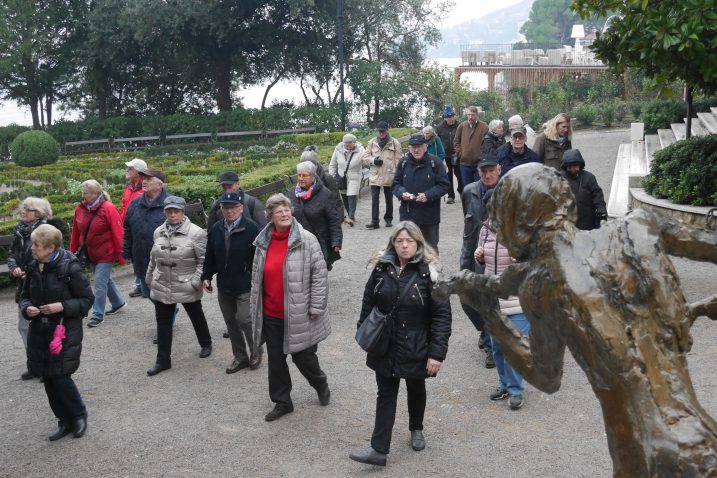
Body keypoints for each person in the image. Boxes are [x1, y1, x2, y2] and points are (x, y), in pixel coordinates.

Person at [436, 163, 717, 476]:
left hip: (644, 455)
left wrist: (491, 315)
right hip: (701, 440)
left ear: (518, 222)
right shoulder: (639, 227)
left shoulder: (539, 286)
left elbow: (546, 377)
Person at [349, 221, 451, 467]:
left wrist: (436, 354)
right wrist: (364, 330)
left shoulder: (431, 273)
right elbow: (368, 300)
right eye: (399, 241)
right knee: (385, 393)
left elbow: (441, 316)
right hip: (385, 343)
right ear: (393, 243)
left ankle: (416, 428)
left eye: (409, 241)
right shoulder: (382, 266)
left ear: (418, 243)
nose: (404, 246)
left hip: (417, 344)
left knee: (416, 388)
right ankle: (378, 449)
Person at [249, 193, 331, 422]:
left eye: (286, 209)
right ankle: (282, 402)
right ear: (270, 217)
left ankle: (320, 383)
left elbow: (320, 275)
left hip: (299, 313)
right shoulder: (262, 242)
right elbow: (257, 277)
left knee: (303, 358)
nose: (284, 213)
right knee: (276, 361)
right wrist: (254, 307)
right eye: (278, 211)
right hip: (271, 313)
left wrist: (316, 306)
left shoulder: (306, 239)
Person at [20, 224, 93, 441]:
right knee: (48, 378)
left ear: (51, 248)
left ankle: (79, 415)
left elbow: (87, 300)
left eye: (37, 245)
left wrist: (62, 306)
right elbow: (24, 296)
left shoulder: (70, 267)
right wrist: (27, 308)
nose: (32, 248)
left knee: (60, 376)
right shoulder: (33, 267)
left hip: (63, 331)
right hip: (39, 331)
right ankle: (64, 420)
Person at [473, 189, 530, 410]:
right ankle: (504, 384)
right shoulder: (485, 229)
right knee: (497, 347)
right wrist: (479, 255)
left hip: (516, 298)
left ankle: (516, 391)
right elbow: (484, 259)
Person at [145, 196, 212, 376]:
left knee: (195, 314)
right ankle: (163, 360)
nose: (172, 214)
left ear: (183, 212)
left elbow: (203, 261)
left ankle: (206, 343)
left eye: (176, 211)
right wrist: (149, 277)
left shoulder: (196, 233)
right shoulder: (158, 231)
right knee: (163, 322)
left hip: (185, 282)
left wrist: (195, 282)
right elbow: (154, 257)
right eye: (169, 211)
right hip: (162, 283)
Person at [202, 192, 262, 374]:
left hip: (244, 284)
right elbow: (210, 255)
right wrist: (206, 276)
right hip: (224, 285)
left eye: (233, 207)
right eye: (225, 208)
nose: (229, 211)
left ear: (241, 208)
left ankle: (256, 352)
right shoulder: (217, 229)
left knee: (244, 319)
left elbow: (258, 258)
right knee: (231, 322)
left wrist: (253, 276)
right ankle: (240, 356)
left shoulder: (251, 228)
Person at [460, 158, 502, 369]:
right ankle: (485, 330)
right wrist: (464, 262)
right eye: (484, 171)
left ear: (499, 169)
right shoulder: (469, 191)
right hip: (477, 256)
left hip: (502, 258)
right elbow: (468, 231)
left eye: (491, 170)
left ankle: (491, 346)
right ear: (478, 172)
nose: (488, 175)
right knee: (467, 300)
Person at [8, 197, 55, 380]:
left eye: (28, 209)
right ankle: (35, 363)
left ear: (39, 213)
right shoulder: (20, 230)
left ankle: (49, 365)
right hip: (24, 288)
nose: (23, 211)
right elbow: (12, 254)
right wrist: (14, 268)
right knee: (24, 327)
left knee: (45, 327)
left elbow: (53, 257)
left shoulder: (47, 231)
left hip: (43, 287)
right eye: (24, 208)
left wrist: (32, 271)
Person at [70, 180, 126, 328]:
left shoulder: (108, 208)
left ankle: (97, 314)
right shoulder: (80, 209)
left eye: (85, 192)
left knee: (99, 282)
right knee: (105, 280)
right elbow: (75, 232)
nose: (83, 195)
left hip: (106, 253)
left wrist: (121, 254)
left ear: (95, 193)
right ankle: (118, 302)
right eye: (83, 192)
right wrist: (72, 252)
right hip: (90, 253)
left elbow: (118, 232)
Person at [392, 135, 450, 252]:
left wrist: (428, 195)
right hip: (408, 214)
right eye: (413, 147)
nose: (416, 150)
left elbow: (444, 185)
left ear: (425, 147)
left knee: (430, 249)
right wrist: (402, 193)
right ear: (409, 148)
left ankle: (433, 270)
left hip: (429, 215)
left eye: (419, 147)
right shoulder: (403, 163)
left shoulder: (435, 162)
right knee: (407, 248)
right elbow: (395, 184)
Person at [122, 169, 168, 299]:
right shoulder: (135, 204)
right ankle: (169, 311)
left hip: (164, 260)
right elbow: (127, 229)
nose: (144, 182)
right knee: (148, 294)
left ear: (160, 185)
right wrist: (126, 252)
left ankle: (168, 312)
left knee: (163, 298)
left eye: (148, 179)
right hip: (141, 259)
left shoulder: (171, 203)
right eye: (144, 179)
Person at [289, 161, 343, 271]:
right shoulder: (292, 192)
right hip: (297, 239)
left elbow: (333, 220)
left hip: (318, 241)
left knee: (317, 272)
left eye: (304, 175)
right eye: (299, 175)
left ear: (313, 177)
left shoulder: (325, 194)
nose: (300, 178)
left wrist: (336, 241)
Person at [362, 121, 403, 229]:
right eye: (379, 131)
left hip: (389, 174)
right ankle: (374, 221)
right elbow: (365, 158)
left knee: (389, 198)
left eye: (383, 131)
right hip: (375, 174)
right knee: (374, 198)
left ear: (387, 130)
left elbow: (399, 159)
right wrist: (373, 160)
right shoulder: (371, 142)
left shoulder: (395, 143)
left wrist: (398, 174)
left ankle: (388, 219)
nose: (381, 133)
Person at [559, 149, 607, 230]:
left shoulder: (589, 177)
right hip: (567, 222)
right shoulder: (559, 178)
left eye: (577, 165)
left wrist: (602, 212)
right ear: (567, 166)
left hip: (587, 222)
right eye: (574, 166)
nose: (576, 168)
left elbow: (598, 196)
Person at [121, 158, 148, 298]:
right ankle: (140, 284)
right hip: (129, 226)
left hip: (142, 225)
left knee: (142, 255)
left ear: (138, 171)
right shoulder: (129, 186)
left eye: (130, 168)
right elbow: (125, 206)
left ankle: (143, 285)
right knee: (135, 255)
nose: (128, 170)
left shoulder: (146, 186)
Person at [300, 146, 345, 222]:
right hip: (309, 221)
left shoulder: (327, 178)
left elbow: (336, 200)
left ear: (315, 164)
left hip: (327, 218)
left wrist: (339, 219)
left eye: (309, 165)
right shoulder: (301, 179)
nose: (306, 168)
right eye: (303, 165)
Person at [329, 133, 365, 227]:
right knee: (344, 195)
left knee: (352, 196)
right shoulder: (338, 149)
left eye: (349, 145)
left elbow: (366, 159)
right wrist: (332, 176)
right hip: (341, 177)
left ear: (354, 143)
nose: (348, 147)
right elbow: (333, 164)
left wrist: (373, 161)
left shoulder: (360, 150)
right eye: (346, 145)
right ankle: (350, 214)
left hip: (354, 176)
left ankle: (351, 217)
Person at [453, 106, 489, 187]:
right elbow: (456, 141)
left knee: (479, 187)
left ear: (477, 115)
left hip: (479, 164)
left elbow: (488, 143)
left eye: (472, 115)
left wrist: (483, 156)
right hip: (464, 164)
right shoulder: (462, 126)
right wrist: (460, 154)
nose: (470, 117)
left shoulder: (484, 127)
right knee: (467, 188)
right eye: (468, 115)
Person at [436, 106, 463, 204]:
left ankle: (461, 191)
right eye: (448, 117)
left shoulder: (460, 125)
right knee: (448, 177)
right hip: (445, 156)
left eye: (452, 116)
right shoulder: (439, 128)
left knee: (460, 175)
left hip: (457, 155)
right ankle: (450, 196)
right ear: (445, 118)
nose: (451, 118)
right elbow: (436, 142)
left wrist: (460, 151)